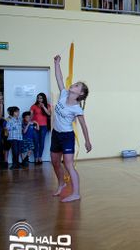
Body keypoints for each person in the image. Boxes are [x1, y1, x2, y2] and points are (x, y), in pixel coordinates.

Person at [51, 55, 92, 202]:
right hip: (56, 134)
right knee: (55, 162)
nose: (72, 85)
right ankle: (61, 183)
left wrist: (88, 141)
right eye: (74, 84)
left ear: (80, 93)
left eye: (76, 85)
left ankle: (76, 193)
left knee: (68, 164)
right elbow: (59, 79)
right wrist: (57, 63)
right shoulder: (63, 94)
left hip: (67, 136)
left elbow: (83, 125)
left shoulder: (76, 109)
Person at [30, 92, 51, 164]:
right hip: (35, 126)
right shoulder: (33, 106)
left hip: (44, 126)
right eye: (38, 98)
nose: (39, 99)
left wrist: (43, 106)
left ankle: (40, 157)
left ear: (44, 98)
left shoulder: (47, 105)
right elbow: (30, 117)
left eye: (41, 98)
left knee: (42, 142)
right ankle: (35, 158)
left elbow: (49, 114)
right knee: (35, 142)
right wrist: (32, 122)